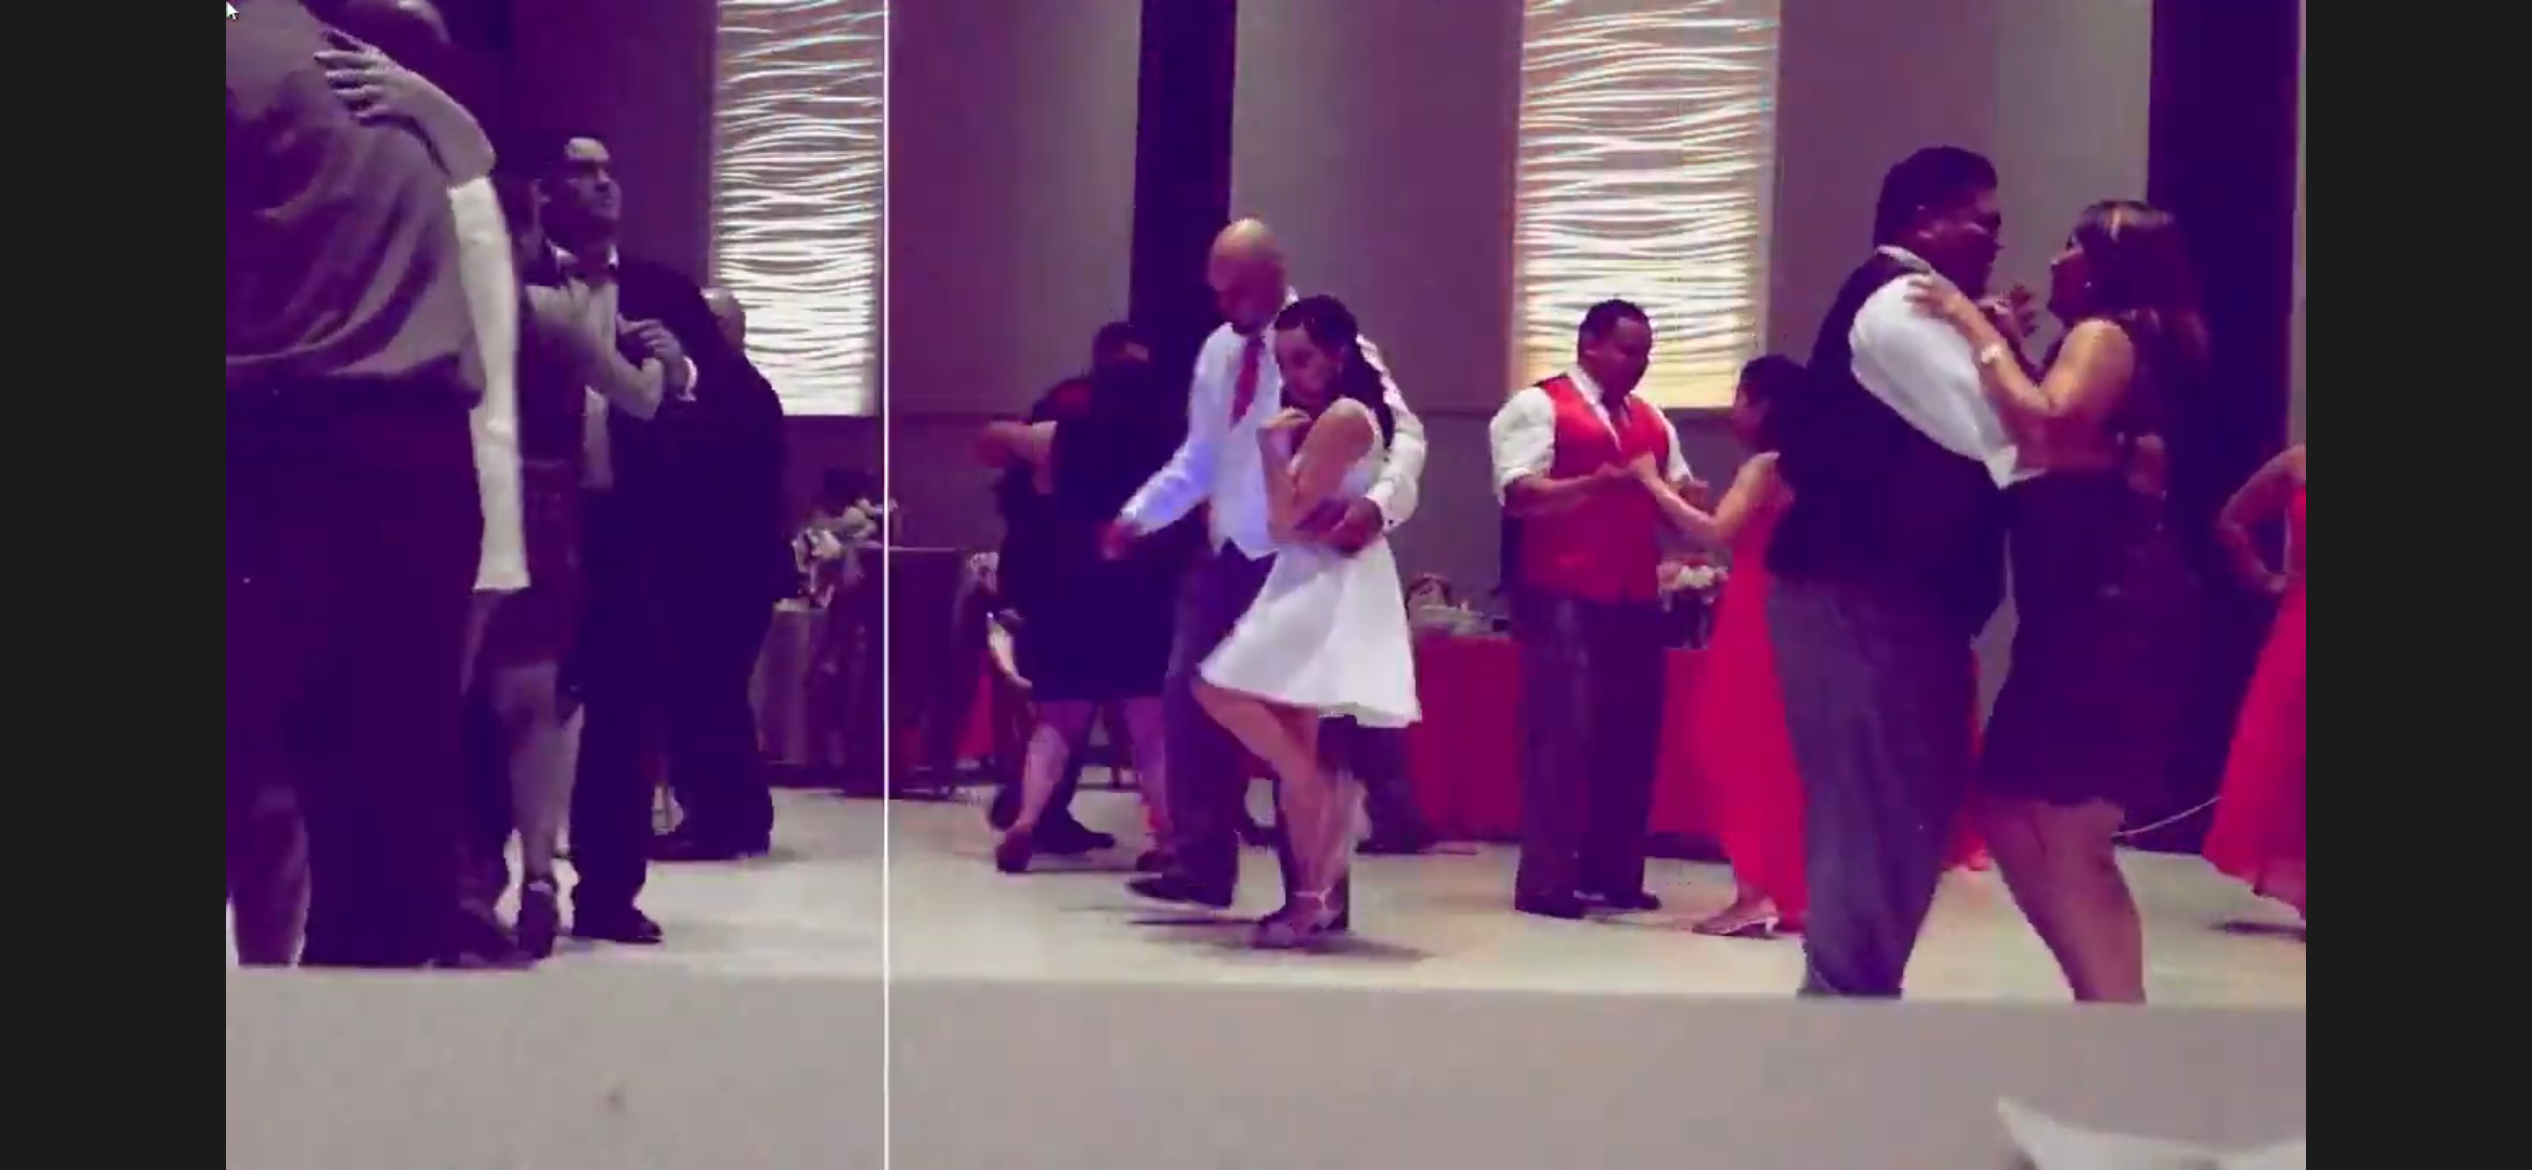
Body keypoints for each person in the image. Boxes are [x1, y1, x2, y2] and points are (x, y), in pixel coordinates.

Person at [226, 0, 484, 967]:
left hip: (286, 436)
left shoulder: (257, 58)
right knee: (399, 764)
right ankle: (376, 994)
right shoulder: (390, 73)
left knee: (270, 754)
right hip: (418, 449)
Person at [1908, 198, 2210, 1003]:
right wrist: (2008, 343)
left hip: (2108, 611)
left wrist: (1971, 327)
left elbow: (2045, 427)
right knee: (2008, 807)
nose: (2054, 260)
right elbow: (2066, 437)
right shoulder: (2125, 343)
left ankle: (2116, 1019)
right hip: (2079, 608)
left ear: (2109, 263)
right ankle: (2099, 1002)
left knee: (2072, 830)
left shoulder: (2104, 335)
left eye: (2072, 245)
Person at [1106, 221, 1429, 914]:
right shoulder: (1219, 350)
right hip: (1229, 549)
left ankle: (1314, 889)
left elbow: (1403, 435)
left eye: (1239, 291)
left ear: (1274, 275)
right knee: (1190, 696)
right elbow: (1200, 457)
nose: (1226, 306)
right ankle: (1202, 863)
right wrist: (1138, 515)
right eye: (1218, 293)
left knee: (1299, 722)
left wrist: (1377, 506)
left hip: (1301, 554)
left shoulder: (1328, 337)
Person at [1763, 146, 2015, 998]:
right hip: (1861, 592)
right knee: (1875, 811)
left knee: (1903, 809)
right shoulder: (1902, 304)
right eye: (1981, 221)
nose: (1995, 240)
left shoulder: (1925, 307)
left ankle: (1853, 1003)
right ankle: (1841, 1015)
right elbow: (2007, 432)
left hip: (1892, 596)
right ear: (1922, 220)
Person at [535, 134, 789, 946]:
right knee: (510, 708)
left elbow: (733, 421)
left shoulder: (664, 292)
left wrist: (683, 376)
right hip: (533, 520)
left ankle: (608, 892)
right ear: (542, 191)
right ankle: (487, 886)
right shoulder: (514, 280)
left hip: (632, 534)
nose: (604, 182)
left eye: (610, 169)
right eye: (583, 170)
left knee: (623, 717)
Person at [1193, 295, 1420, 947]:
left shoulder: (1344, 416)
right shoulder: (1335, 417)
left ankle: (1318, 802)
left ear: (1337, 355)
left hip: (1326, 583)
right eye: (1284, 361)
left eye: (1303, 359)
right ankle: (1310, 898)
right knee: (1292, 729)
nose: (1292, 374)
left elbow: (1283, 517)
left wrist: (1272, 450)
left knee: (1220, 688)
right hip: (1311, 574)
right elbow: (1292, 519)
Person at [1490, 300, 1697, 920]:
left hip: (1634, 592)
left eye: (1645, 353)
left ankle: (1614, 873)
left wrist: (1688, 498)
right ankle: (1546, 881)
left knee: (1632, 734)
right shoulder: (1538, 406)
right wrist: (1595, 485)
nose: (1638, 363)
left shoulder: (1652, 419)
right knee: (1563, 734)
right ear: (1590, 345)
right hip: (1560, 589)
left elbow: (1674, 493)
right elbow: (1519, 495)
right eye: (1628, 350)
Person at [977, 346, 1190, 873]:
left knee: (1056, 721)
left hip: (1068, 590)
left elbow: (992, 439)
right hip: (1139, 593)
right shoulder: (1168, 445)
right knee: (1149, 729)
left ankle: (1026, 820)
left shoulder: (1062, 436)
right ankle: (1167, 837)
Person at [2202, 444, 2307, 920]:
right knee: (2293, 756)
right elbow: (2231, 520)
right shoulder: (2299, 463)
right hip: (2302, 626)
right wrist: (2263, 578)